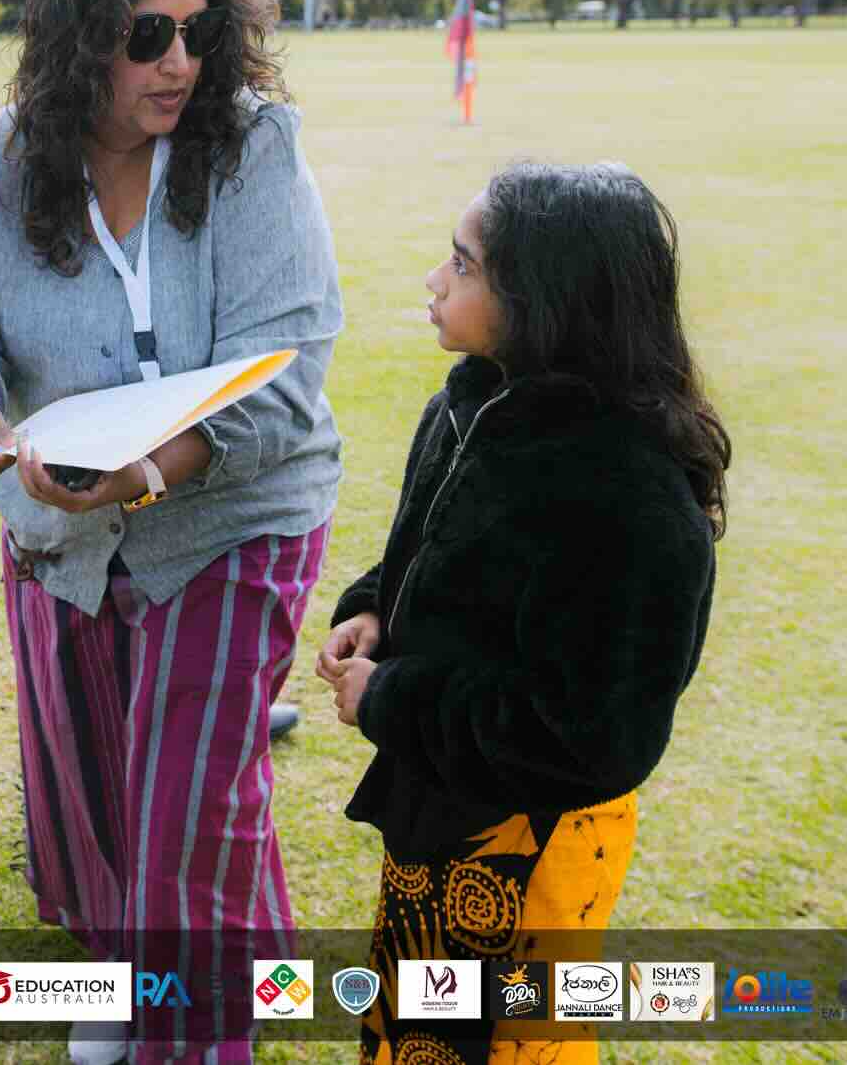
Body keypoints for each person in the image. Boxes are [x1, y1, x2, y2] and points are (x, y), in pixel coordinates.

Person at [0, 0, 344, 1065]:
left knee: (187, 795)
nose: (178, 62)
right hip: (64, 528)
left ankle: (189, 1035)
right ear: (78, 34)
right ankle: (133, 969)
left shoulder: (249, 150)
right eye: (147, 35)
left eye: (198, 31)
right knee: (102, 790)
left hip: (235, 515)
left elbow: (282, 375)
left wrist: (146, 470)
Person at [316, 163, 729, 1065]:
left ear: (544, 300)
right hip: (441, 814)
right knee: (413, 1032)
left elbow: (587, 736)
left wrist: (388, 697)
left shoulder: (631, 502)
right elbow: (433, 552)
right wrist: (375, 609)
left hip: (530, 851)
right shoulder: (472, 403)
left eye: (463, 264)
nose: (435, 279)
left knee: (504, 1043)